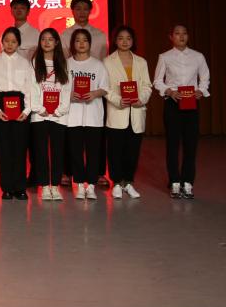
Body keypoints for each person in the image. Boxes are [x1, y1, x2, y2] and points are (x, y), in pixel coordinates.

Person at [153, 24, 210, 199]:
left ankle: (188, 182)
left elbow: (205, 77)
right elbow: (157, 81)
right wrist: (169, 91)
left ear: (188, 36)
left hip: (191, 103)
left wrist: (201, 90)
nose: (181, 36)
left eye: (184, 33)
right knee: (172, 144)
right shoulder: (165, 57)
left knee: (190, 145)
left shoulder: (198, 56)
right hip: (173, 103)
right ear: (171, 37)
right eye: (177, 34)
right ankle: (175, 182)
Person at [0, 26, 39, 200]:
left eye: (13, 41)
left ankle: (20, 187)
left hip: (20, 107)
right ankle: (7, 188)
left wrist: (27, 110)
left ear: (18, 44)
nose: (9, 44)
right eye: (7, 41)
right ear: (2, 42)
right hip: (1, 106)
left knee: (20, 148)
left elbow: (30, 88)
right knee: (4, 149)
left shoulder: (24, 63)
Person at [103, 25, 151, 199]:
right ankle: (116, 183)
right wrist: (118, 100)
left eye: (128, 38)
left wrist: (141, 99)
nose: (124, 41)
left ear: (133, 41)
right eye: (121, 38)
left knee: (133, 151)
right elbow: (105, 88)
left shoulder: (141, 62)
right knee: (115, 150)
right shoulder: (107, 62)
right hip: (118, 110)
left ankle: (128, 182)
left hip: (136, 111)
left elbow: (147, 86)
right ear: (115, 41)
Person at [66, 28, 109, 200]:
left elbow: (105, 88)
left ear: (90, 44)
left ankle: (91, 185)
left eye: (85, 40)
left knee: (93, 153)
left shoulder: (98, 65)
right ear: (73, 44)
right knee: (75, 152)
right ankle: (78, 184)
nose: (81, 44)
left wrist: (95, 93)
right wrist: (69, 94)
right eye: (78, 40)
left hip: (93, 116)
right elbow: (60, 86)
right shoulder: (67, 64)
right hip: (73, 116)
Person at [30, 29, 71, 200]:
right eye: (43, 39)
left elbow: (67, 88)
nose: (46, 42)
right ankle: (45, 186)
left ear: (56, 42)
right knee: (40, 151)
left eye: (50, 39)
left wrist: (59, 110)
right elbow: (32, 88)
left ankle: (55, 185)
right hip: (40, 114)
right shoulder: (35, 62)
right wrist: (40, 108)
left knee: (57, 151)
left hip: (59, 115)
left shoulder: (63, 63)